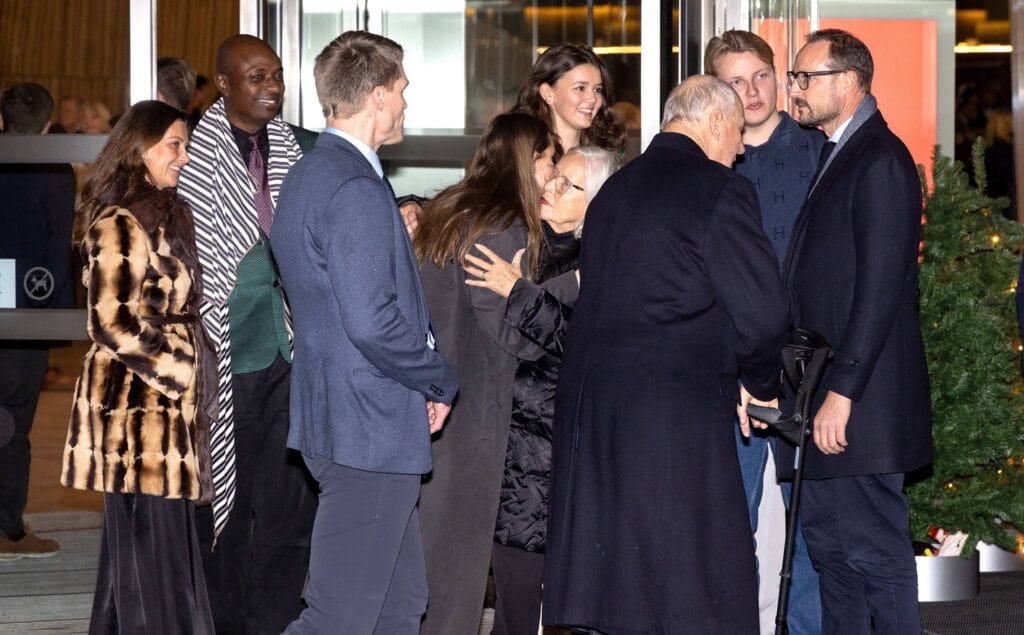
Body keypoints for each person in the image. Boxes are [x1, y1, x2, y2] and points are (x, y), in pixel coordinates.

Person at [543, 75, 790, 633]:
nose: (742, 150)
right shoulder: (718, 189)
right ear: (718, 122)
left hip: (596, 405)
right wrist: (762, 382)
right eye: (739, 136)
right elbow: (763, 309)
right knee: (691, 569)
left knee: (618, 569)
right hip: (674, 409)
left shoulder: (614, 190)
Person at [270, 30, 459, 633]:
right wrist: (438, 379)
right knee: (338, 619)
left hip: (343, 420)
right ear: (377, 96)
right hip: (368, 429)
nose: (405, 102)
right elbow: (372, 321)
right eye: (401, 89)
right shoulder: (354, 187)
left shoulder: (308, 174)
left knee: (399, 609)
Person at [781, 29, 931, 634]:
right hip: (827, 395)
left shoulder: (881, 159)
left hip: (859, 402)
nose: (794, 90)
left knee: (873, 556)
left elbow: (881, 291)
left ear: (848, 81)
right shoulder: (838, 151)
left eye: (803, 78)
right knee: (833, 556)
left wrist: (842, 392)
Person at [176, 34, 317, 634]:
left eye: (278, 75)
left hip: (291, 348)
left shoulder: (299, 151)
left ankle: (279, 618)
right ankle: (225, 619)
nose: (272, 87)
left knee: (288, 499)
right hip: (222, 350)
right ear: (225, 83)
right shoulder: (193, 155)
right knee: (224, 503)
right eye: (257, 76)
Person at [60, 99, 214, 633]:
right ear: (138, 148)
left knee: (150, 554)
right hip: (135, 410)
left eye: (185, 144)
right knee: (152, 555)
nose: (184, 156)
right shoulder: (122, 223)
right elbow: (110, 322)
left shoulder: (162, 214)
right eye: (174, 144)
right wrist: (183, 373)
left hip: (159, 410)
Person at [413, 111, 567, 634]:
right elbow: (509, 333)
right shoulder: (501, 228)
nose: (552, 176)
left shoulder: (451, 207)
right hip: (473, 414)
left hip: (436, 398)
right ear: (529, 160)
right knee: (455, 569)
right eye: (549, 162)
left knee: (431, 558)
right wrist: (566, 291)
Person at [461, 145, 622, 635]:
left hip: (554, 461)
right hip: (507, 456)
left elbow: (579, 343)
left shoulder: (604, 262)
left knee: (547, 610)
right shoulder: (524, 242)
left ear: (595, 202)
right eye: (554, 175)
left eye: (568, 184)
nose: (550, 187)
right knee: (514, 605)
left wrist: (521, 292)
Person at [704, 29, 824, 633]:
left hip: (809, 369)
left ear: (779, 78)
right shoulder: (702, 162)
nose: (749, 92)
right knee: (730, 525)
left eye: (759, 76)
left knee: (811, 529)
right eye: (733, 81)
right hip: (729, 372)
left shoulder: (816, 151)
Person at [0, 82, 75, 560]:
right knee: (14, 418)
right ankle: (10, 529)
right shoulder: (55, 171)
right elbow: (54, 250)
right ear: (48, 126)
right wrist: (56, 317)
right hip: (28, 299)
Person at [512, 43, 625, 154]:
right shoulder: (522, 157)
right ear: (547, 93)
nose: (592, 99)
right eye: (580, 88)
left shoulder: (607, 155)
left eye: (597, 90)